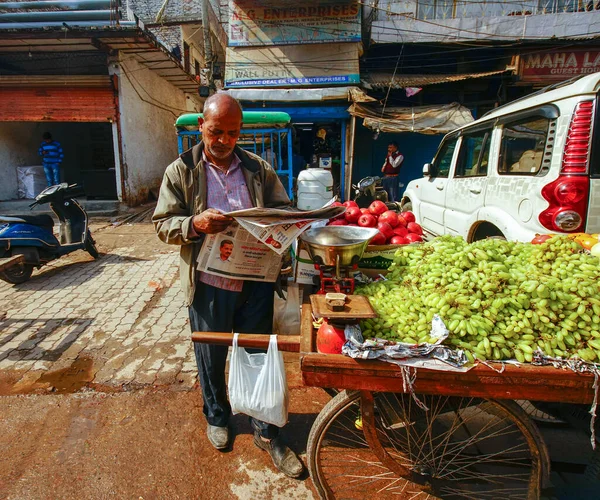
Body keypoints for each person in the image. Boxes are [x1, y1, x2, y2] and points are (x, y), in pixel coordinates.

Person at [152, 93, 303, 478]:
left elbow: (283, 210)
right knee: (211, 358)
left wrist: (278, 223)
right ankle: (217, 416)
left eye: (232, 134)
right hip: (208, 283)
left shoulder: (258, 169)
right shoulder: (181, 171)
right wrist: (194, 224)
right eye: (216, 131)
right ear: (202, 126)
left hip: (255, 283)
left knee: (256, 356)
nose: (223, 141)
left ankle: (266, 430)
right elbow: (163, 224)